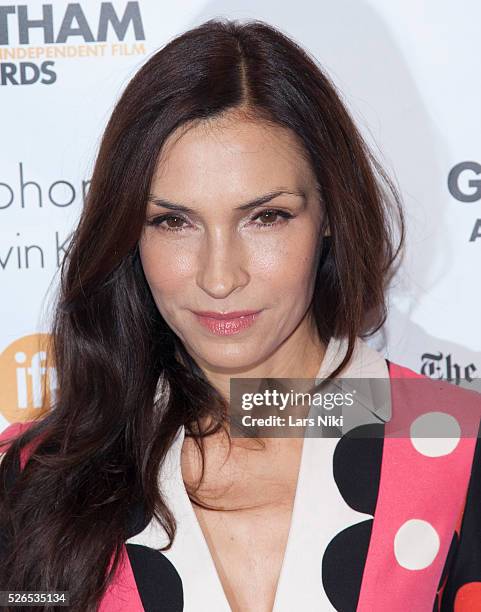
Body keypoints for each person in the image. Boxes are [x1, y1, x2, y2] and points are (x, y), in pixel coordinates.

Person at [0, 17, 480, 612]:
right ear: (130, 234)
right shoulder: (30, 481)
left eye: (266, 217)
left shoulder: (459, 448)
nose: (220, 277)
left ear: (329, 212)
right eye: (173, 222)